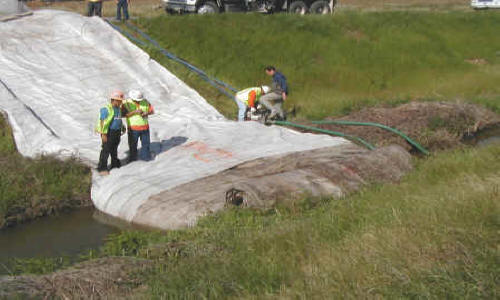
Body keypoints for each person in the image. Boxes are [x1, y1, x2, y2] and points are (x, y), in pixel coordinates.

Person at [95, 91, 125, 175]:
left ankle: (114, 164)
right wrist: (104, 134)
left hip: (116, 132)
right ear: (113, 100)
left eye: (121, 101)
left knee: (114, 149)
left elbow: (118, 119)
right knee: (106, 150)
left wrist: (122, 127)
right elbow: (103, 122)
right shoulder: (106, 109)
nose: (120, 102)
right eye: (119, 100)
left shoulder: (118, 108)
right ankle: (102, 168)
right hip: (109, 132)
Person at [122, 89, 154, 162]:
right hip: (133, 128)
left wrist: (147, 113)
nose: (138, 101)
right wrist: (134, 112)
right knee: (133, 145)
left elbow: (152, 111)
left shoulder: (145, 101)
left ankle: (146, 158)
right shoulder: (126, 103)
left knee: (146, 144)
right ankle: (132, 160)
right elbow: (123, 114)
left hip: (145, 127)